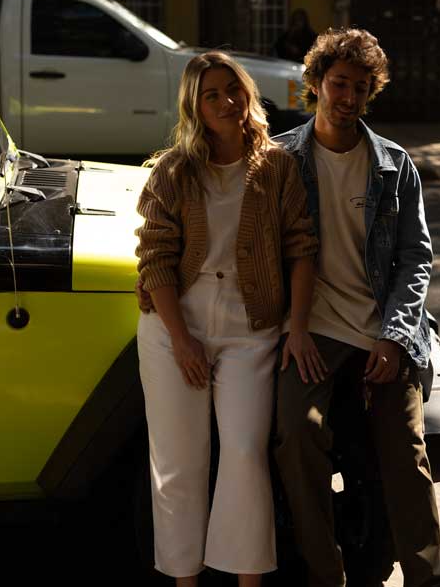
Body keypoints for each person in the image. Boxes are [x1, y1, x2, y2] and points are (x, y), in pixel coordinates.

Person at [272, 27, 440, 587]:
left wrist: (394, 337)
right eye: (339, 83)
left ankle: (429, 577)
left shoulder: (393, 164)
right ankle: (326, 574)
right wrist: (291, 327)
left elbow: (416, 258)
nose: (348, 98)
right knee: (296, 436)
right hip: (312, 330)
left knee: (406, 451)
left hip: (381, 330)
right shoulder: (281, 159)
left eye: (360, 88)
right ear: (317, 83)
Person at [135, 51, 319, 586]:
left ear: (247, 94)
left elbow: (301, 248)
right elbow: (155, 259)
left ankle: (247, 580)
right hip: (174, 330)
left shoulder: (277, 166)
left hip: (250, 330)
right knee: (178, 464)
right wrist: (182, 340)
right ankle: (185, 580)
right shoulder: (174, 171)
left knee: (243, 453)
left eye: (233, 89)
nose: (226, 102)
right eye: (211, 95)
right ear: (194, 106)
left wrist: (297, 327)